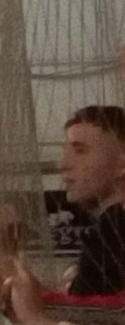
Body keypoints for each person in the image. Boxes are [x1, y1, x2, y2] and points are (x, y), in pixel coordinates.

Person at [61, 105, 125, 296]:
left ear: (122, 164)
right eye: (65, 151)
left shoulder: (113, 233)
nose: (63, 164)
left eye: (80, 151)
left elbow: (83, 312)